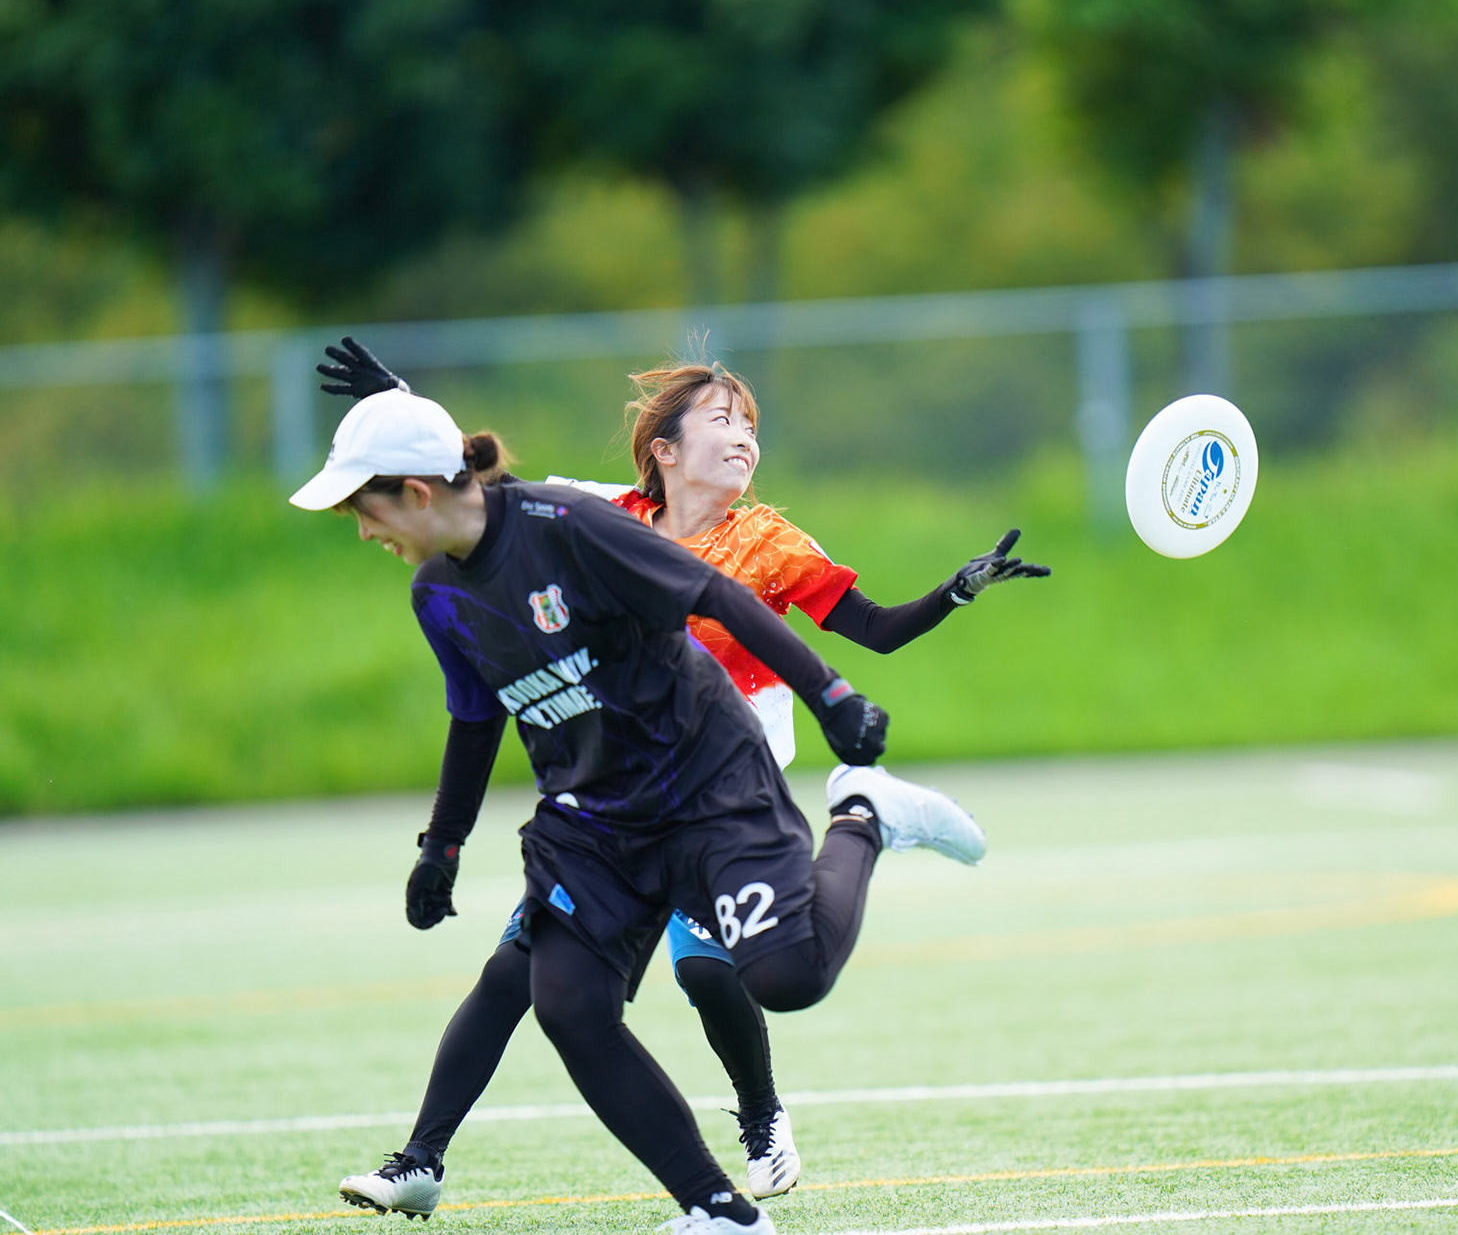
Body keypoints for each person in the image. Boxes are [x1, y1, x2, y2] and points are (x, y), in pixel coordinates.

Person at [317, 341, 1048, 1221]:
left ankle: (859, 831)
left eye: (750, 425)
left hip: (716, 784)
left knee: (753, 977)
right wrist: (399, 410)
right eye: (722, 420)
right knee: (541, 987)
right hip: (601, 811)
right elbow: (479, 500)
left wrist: (898, 641)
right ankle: (660, 1199)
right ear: (663, 449)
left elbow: (863, 625)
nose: (743, 437)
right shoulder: (601, 514)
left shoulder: (756, 540)